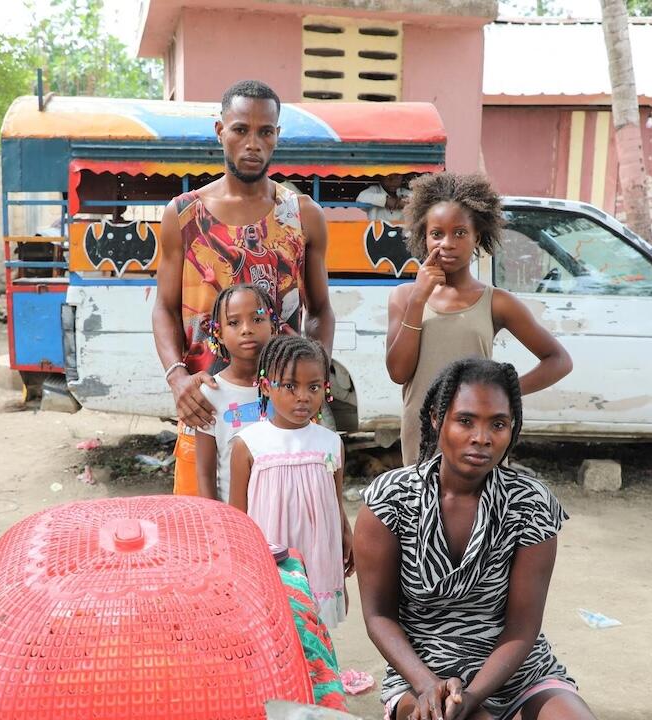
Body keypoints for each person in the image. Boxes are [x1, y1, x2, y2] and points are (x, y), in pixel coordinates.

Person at [354, 358, 596, 720]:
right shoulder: (391, 499)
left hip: (516, 671)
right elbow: (378, 616)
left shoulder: (529, 503)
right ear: (437, 419)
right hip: (421, 671)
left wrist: (474, 695)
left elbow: (522, 627)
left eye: (497, 424)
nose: (482, 438)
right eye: (465, 421)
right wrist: (426, 685)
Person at [152, 79, 335, 495]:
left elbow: (320, 310)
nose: (253, 143)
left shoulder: (301, 216)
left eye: (265, 131)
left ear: (277, 136)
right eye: (240, 129)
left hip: (285, 418)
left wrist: (314, 377)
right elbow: (164, 307)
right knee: (204, 537)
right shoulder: (183, 215)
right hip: (206, 410)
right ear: (220, 132)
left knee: (286, 538)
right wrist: (178, 378)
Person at [386, 173, 572, 466]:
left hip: (478, 439)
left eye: (459, 233)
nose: (447, 243)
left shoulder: (496, 302)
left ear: (478, 237)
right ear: (424, 237)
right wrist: (418, 300)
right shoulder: (404, 297)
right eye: (437, 234)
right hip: (423, 435)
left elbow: (558, 359)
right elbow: (398, 372)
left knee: (480, 510)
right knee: (426, 510)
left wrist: (503, 393)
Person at [229, 335, 353, 628]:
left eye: (313, 387)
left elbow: (334, 501)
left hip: (319, 558)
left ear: (325, 389)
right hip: (271, 560)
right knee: (276, 630)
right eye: (289, 386)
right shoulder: (248, 444)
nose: (303, 396)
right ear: (266, 387)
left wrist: (346, 537)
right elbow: (237, 516)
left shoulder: (331, 442)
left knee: (316, 633)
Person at [195, 284, 280, 501]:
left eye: (257, 319)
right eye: (234, 322)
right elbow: (205, 473)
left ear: (274, 327)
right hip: (235, 519)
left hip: (282, 512)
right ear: (219, 333)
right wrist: (216, 520)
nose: (246, 329)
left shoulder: (287, 387)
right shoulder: (211, 393)